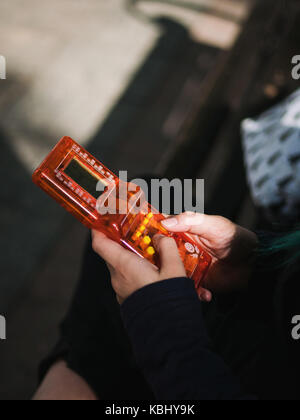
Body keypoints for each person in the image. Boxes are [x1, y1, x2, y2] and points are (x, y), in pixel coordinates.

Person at [34, 213, 300, 400]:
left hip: (235, 376)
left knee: (117, 259)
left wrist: (160, 321)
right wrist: (254, 262)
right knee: (133, 217)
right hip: (266, 337)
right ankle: (77, 370)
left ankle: (72, 371)